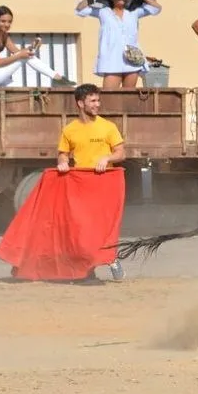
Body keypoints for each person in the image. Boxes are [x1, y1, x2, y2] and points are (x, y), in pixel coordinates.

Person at [56, 83, 126, 280]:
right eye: (93, 101)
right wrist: (62, 163)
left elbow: (121, 153)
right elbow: (63, 154)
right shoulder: (70, 130)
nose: (97, 104)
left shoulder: (108, 127)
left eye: (98, 100)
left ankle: (111, 258)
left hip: (104, 185)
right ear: (81, 103)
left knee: (104, 226)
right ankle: (87, 268)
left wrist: (107, 158)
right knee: (82, 227)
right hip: (80, 186)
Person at [75, 0, 162, 89]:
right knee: (109, 95)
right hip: (111, 60)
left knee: (128, 96)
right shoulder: (103, 12)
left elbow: (156, 8)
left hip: (132, 59)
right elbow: (80, 9)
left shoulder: (133, 12)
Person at [0, 6, 74, 88]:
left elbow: (18, 52)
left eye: (9, 22)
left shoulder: (4, 35)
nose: (7, 24)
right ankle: (57, 78)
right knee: (26, 56)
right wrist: (20, 55)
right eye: (3, 21)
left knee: (18, 88)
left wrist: (33, 46)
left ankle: (57, 79)